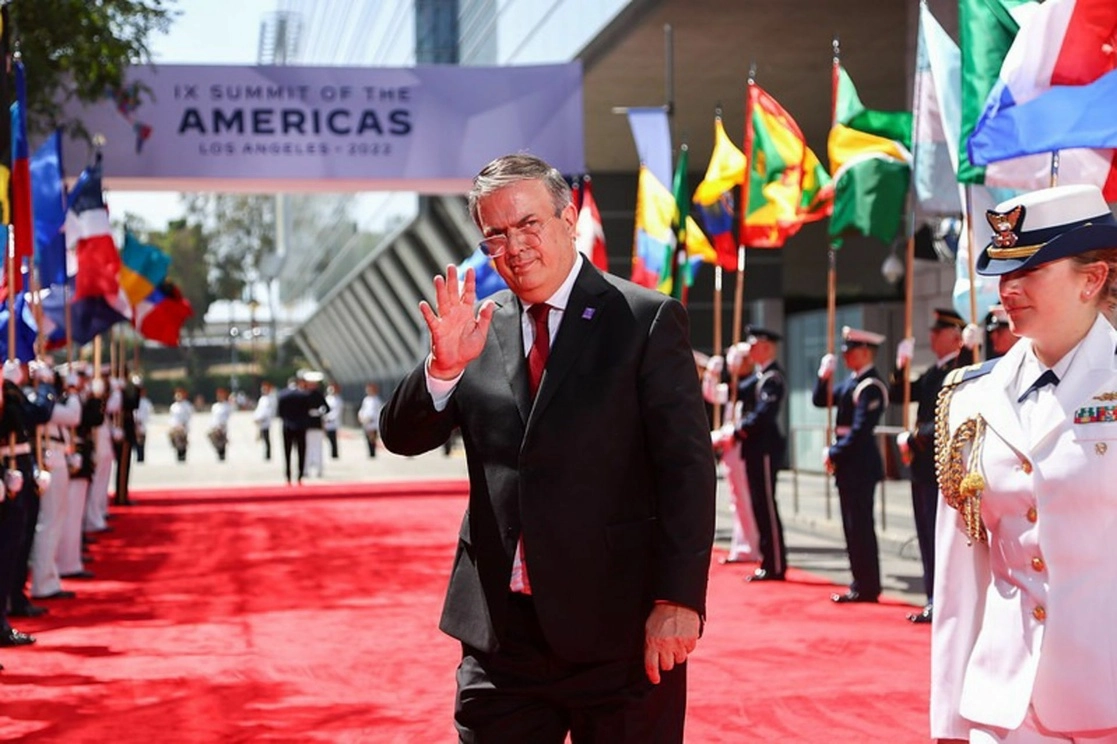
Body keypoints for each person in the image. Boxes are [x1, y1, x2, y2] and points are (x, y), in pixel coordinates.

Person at [379, 153, 716, 743]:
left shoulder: (644, 320)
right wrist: (442, 368)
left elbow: (686, 469)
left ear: (569, 217)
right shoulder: (474, 330)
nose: (515, 246)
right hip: (502, 643)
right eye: (496, 236)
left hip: (620, 634)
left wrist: (679, 598)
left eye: (529, 224)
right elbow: (402, 437)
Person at [932, 184, 1117, 742]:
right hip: (1003, 706)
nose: (1007, 289)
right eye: (1004, 273)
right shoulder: (968, 397)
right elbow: (961, 574)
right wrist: (949, 721)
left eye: (1030, 271)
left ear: (1093, 279)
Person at [890, 308, 973, 625]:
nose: (931, 337)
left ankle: (946, 600)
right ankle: (932, 596)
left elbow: (951, 417)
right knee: (926, 534)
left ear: (955, 336)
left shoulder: (959, 368)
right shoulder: (932, 372)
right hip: (922, 462)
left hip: (942, 459)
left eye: (937, 333)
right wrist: (901, 366)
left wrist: (969, 350)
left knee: (943, 537)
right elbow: (899, 395)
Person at [813, 326, 888, 604]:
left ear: (866, 352)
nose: (846, 355)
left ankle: (868, 585)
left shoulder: (871, 386)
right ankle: (859, 581)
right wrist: (824, 376)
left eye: (851, 350)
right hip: (847, 462)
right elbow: (822, 400)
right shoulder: (852, 382)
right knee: (850, 526)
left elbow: (860, 430)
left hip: (859, 462)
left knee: (861, 526)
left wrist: (835, 450)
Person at [734, 326, 788, 583]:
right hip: (754, 448)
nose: (749, 349)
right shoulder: (759, 376)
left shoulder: (772, 378)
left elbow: (765, 413)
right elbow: (740, 388)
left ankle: (775, 563)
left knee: (766, 504)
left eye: (753, 345)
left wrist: (741, 429)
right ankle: (768, 560)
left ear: (766, 346)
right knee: (758, 505)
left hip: (765, 447)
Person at [705, 343, 761, 564]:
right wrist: (711, 374)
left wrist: (728, 433)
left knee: (746, 499)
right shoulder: (737, 386)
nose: (733, 364)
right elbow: (713, 394)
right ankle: (742, 545)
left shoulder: (753, 384)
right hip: (731, 448)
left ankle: (751, 546)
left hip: (744, 447)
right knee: (737, 500)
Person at [277, 377, 310, 485]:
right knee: (301, 452)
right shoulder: (304, 395)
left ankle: (288, 475)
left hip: (287, 427)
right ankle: (300, 475)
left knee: (287, 452)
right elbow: (307, 412)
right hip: (300, 427)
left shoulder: (282, 395)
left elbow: (280, 413)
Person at [356, 382, 382, 458]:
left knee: (372, 438)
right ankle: (370, 452)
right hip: (366, 422)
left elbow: (375, 411)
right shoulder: (366, 400)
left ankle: (373, 453)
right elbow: (363, 409)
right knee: (367, 437)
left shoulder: (377, 400)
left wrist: (369, 418)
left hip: (372, 422)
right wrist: (361, 416)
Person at [168, 387, 193, 462]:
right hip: (175, 427)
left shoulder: (187, 405)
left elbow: (188, 416)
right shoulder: (173, 406)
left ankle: (182, 457)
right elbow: (172, 417)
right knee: (175, 440)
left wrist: (183, 424)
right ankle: (179, 455)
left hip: (183, 426)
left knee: (182, 442)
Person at [253, 381, 276, 461]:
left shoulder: (270, 399)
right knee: (262, 438)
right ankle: (266, 453)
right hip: (260, 421)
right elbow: (259, 410)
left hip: (265, 421)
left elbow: (267, 411)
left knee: (266, 438)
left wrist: (261, 418)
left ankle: (268, 454)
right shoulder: (262, 399)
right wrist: (256, 417)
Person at [209, 387, 232, 461]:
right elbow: (213, 417)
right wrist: (213, 426)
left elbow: (226, 417)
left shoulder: (227, 406)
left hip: (222, 426)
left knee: (222, 442)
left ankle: (222, 456)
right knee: (214, 439)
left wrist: (222, 425)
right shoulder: (215, 406)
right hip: (215, 426)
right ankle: (219, 454)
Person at [133, 380, 153, 463]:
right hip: (133, 425)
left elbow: (148, 414)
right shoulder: (133, 400)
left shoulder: (146, 403)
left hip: (141, 425)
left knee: (141, 444)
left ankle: (141, 459)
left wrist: (140, 421)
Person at [324, 383, 343, 459]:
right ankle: (331, 452)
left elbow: (337, 411)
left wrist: (329, 418)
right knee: (328, 438)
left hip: (333, 422)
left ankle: (334, 453)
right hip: (326, 421)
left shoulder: (338, 400)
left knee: (333, 438)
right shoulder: (327, 398)